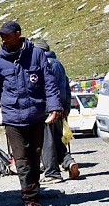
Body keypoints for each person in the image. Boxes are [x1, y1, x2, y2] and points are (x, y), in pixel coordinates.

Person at [0, 21, 63, 206]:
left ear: (18, 34)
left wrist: (54, 107)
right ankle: (29, 200)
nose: (4, 39)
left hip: (36, 116)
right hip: (12, 118)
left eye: (7, 35)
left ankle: (34, 193)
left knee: (35, 156)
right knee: (21, 160)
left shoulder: (36, 55)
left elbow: (49, 82)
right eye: (1, 36)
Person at [34, 39, 80, 184]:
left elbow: (43, 88)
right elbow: (66, 87)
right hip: (60, 109)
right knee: (56, 141)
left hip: (47, 109)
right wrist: (66, 108)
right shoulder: (59, 65)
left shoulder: (43, 64)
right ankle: (69, 162)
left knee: (46, 142)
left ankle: (52, 173)